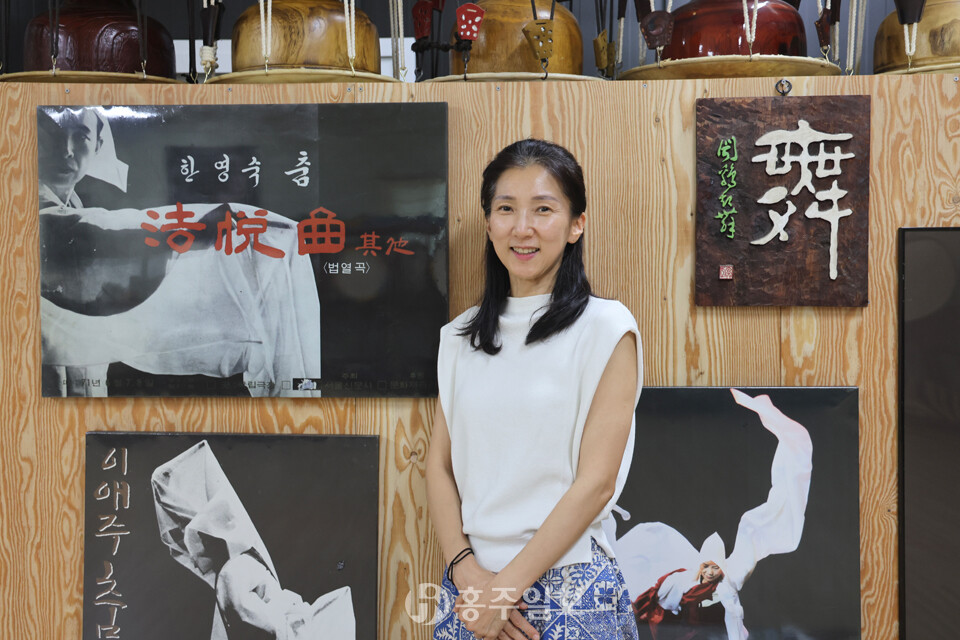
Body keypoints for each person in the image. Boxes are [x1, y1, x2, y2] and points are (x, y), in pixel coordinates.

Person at [426, 139, 643, 640]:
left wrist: (505, 590)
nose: (522, 228)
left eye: (543, 209)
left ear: (576, 225)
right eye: (506, 209)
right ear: (488, 223)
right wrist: (466, 570)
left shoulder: (607, 328)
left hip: (571, 585)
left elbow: (597, 482)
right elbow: (438, 465)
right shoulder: (458, 338)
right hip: (470, 587)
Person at [609, 389, 814, 640]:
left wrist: (789, 437)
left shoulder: (722, 585)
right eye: (708, 567)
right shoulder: (669, 567)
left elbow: (770, 523)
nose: (709, 571)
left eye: (712, 568)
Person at [152, 440, 356, 640]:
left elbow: (260, 622)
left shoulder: (236, 568)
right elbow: (253, 623)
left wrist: (296, 617)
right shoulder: (233, 570)